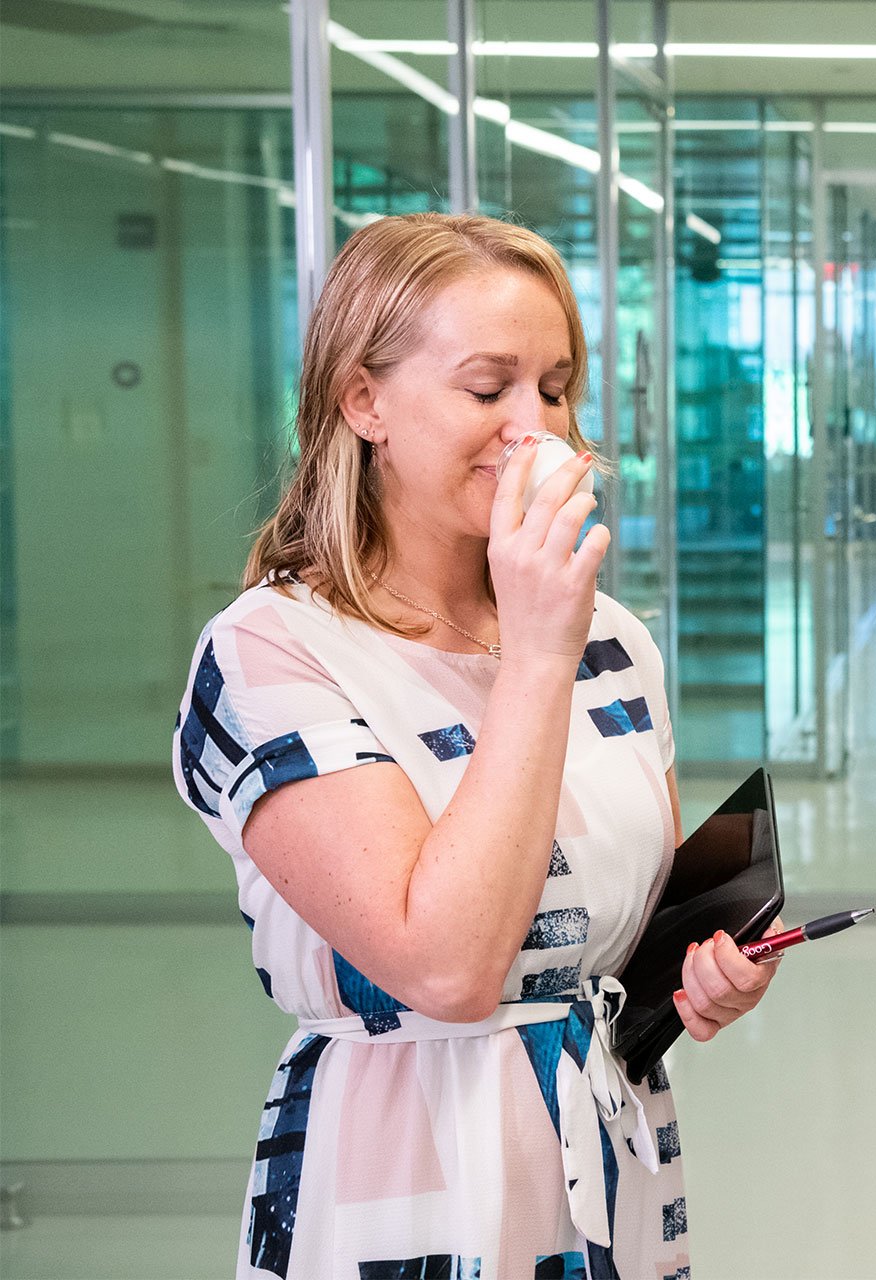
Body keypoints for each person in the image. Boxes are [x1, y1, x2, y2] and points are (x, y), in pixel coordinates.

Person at [172, 213, 776, 1279]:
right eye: (487, 387)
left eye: (554, 387)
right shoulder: (272, 655)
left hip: (609, 1164)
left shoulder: (612, 640)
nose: (534, 429)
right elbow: (446, 963)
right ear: (365, 402)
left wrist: (696, 975)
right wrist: (537, 655)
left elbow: (623, 932)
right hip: (406, 1179)